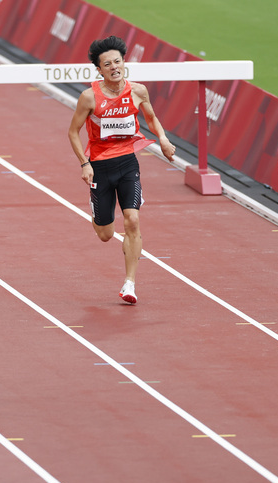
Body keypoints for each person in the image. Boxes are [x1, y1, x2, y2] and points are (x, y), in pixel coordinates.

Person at [67, 35, 176, 304]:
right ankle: (97, 208)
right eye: (108, 64)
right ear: (99, 69)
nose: (115, 67)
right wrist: (84, 163)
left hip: (128, 163)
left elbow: (151, 117)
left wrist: (162, 139)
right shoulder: (89, 97)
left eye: (118, 61)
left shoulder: (138, 91)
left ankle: (129, 284)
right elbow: (72, 132)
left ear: (124, 62)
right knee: (105, 234)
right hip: (100, 167)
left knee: (133, 220)